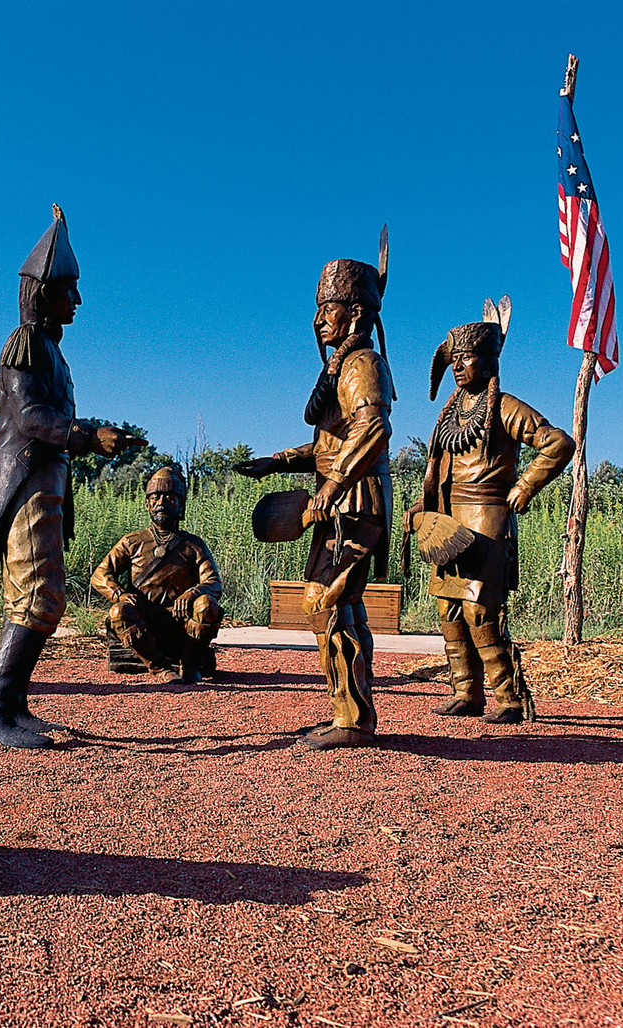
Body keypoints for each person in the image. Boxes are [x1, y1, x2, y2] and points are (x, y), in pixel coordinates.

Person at [0, 204, 145, 748]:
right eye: (68, 289)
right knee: (33, 599)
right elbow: (30, 418)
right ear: (43, 292)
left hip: (46, 488)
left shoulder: (50, 353)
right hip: (25, 488)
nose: (77, 300)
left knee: (44, 598)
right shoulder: (22, 347)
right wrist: (87, 436)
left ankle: (14, 705)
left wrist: (96, 430)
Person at [237, 232, 395, 750]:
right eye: (319, 308)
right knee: (342, 604)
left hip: (354, 501)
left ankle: (353, 720)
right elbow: (327, 443)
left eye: (328, 308)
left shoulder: (360, 365)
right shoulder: (339, 367)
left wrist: (331, 481)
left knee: (322, 601)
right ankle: (352, 714)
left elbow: (372, 429)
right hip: (340, 500)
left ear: (353, 313)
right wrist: (276, 464)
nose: (319, 319)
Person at [406, 297, 573, 723]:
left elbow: (559, 443)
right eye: (455, 360)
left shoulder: (505, 406)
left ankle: (509, 698)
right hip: (447, 519)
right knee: (448, 609)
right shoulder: (450, 412)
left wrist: (525, 485)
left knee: (481, 609)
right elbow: (436, 468)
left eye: (468, 358)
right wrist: (422, 507)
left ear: (489, 360)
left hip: (486, 516)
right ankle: (467, 691)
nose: (459, 366)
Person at [91, 467, 223, 683]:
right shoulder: (132, 542)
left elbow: (214, 583)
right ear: (147, 504)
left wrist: (192, 594)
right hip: (144, 617)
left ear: (181, 505)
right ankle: (159, 667)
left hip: (182, 620)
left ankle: (189, 666)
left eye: (170, 497)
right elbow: (100, 575)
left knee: (207, 605)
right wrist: (119, 595)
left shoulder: (194, 545)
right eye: (155, 497)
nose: (161, 502)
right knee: (118, 612)